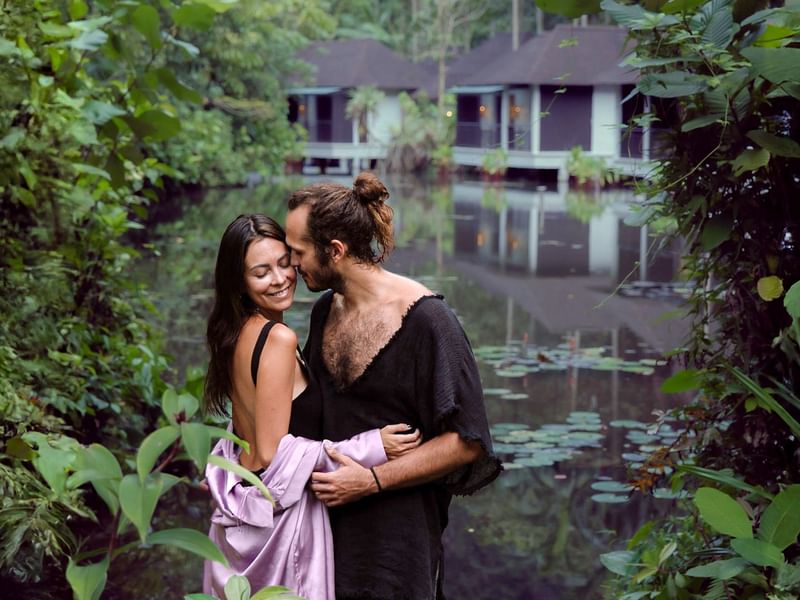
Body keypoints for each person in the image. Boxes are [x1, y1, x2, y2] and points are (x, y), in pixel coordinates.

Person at [285, 173, 502, 599]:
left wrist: (371, 481)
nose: (292, 265)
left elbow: (468, 442)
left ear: (335, 251)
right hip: (325, 534)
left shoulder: (429, 322)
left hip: (398, 549)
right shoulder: (326, 309)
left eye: (298, 253)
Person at [201, 214, 421, 599]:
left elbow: (245, 435)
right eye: (261, 272)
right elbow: (271, 452)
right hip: (276, 522)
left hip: (244, 513)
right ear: (239, 282)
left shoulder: (235, 334)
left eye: (285, 262)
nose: (281, 278)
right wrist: (369, 447)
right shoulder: (277, 339)